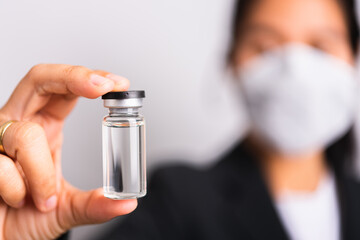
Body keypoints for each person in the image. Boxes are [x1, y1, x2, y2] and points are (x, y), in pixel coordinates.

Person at [0, 0, 359, 240]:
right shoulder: (179, 200)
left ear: (354, 59)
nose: (293, 69)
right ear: (231, 62)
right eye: (265, 47)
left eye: (319, 47)